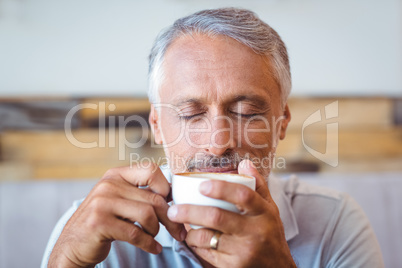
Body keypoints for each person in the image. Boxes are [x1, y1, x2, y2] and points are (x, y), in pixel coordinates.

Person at [42, 7, 384, 268]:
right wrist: (65, 259)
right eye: (191, 114)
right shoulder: (98, 231)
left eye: (248, 112)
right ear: (158, 126)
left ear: (281, 123)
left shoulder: (335, 223)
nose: (218, 141)